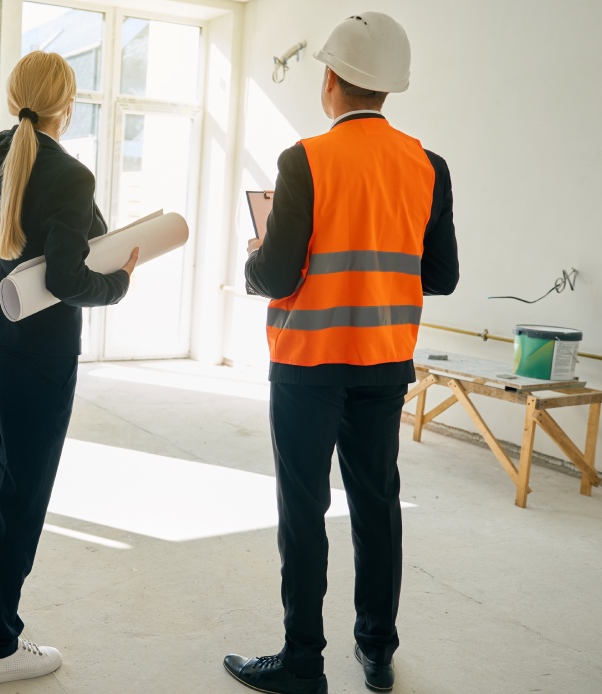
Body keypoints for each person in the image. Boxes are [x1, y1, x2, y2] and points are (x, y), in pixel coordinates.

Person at [223, 12, 459, 694]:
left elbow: (274, 274)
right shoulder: (428, 166)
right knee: (376, 504)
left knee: (305, 510)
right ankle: (377, 652)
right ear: (389, 89)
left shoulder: (305, 161)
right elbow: (439, 275)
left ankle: (303, 664)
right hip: (384, 362)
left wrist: (253, 259)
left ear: (330, 80)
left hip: (308, 365)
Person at [0, 50, 139, 686]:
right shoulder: (70, 173)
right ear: (69, 105)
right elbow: (68, 278)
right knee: (23, 494)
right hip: (36, 358)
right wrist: (118, 281)